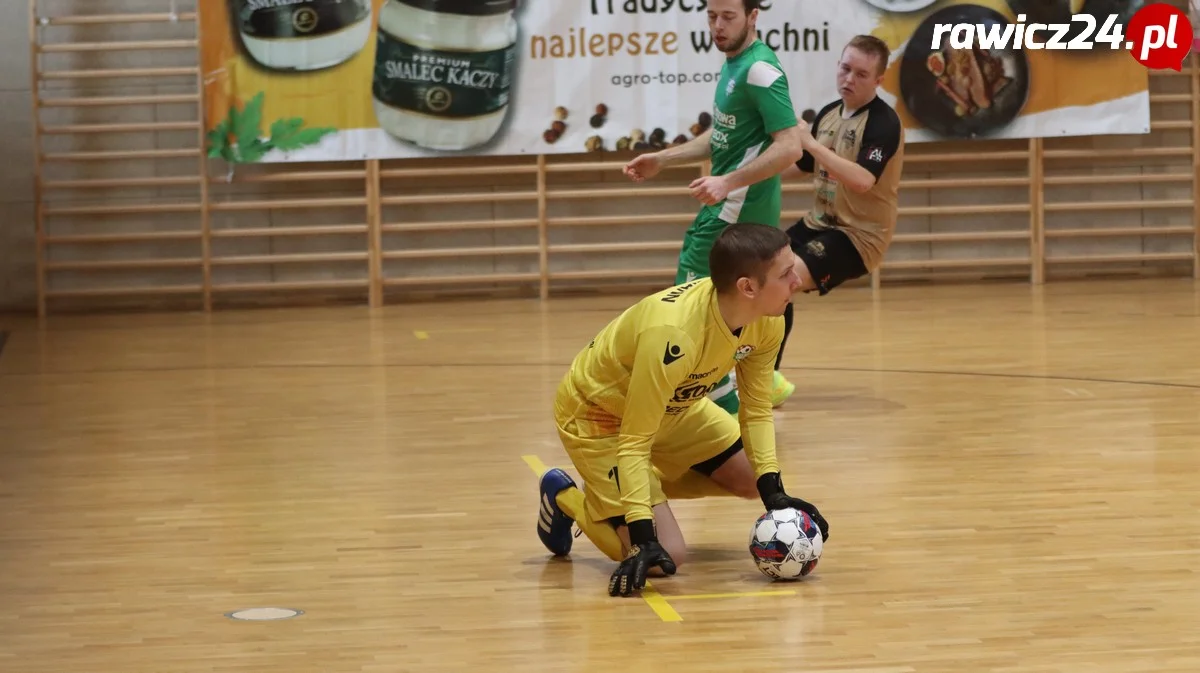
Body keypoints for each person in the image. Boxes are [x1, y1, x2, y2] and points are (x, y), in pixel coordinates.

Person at [534, 223, 829, 598]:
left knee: (754, 476)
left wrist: (775, 492)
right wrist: (643, 535)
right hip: (600, 416)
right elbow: (635, 438)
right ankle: (569, 498)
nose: (797, 279)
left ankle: (632, 489)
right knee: (666, 556)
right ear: (747, 287)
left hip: (675, 407)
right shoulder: (674, 335)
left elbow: (755, 409)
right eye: (786, 273)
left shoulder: (767, 320)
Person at [622, 0, 806, 415]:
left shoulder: (760, 70)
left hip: (735, 211)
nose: (718, 26)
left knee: (688, 305)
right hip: (733, 207)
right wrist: (663, 159)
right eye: (711, 16)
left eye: (728, 17)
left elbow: (790, 146)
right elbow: (723, 137)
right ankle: (760, 385)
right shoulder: (735, 64)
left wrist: (728, 182)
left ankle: (705, 408)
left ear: (753, 16)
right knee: (734, 306)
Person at [773, 35, 905, 372]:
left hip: (858, 236)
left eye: (861, 74)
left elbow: (862, 180)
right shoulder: (829, 114)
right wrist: (746, 179)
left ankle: (766, 378)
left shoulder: (883, 123)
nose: (849, 79)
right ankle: (748, 372)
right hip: (818, 222)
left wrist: (812, 145)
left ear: (879, 80)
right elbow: (803, 165)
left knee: (780, 282)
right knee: (761, 272)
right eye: (845, 69)